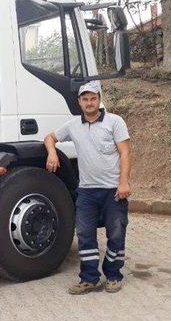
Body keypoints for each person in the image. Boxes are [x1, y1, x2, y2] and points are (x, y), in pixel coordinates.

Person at [44, 81, 131, 294]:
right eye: (85, 99)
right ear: (79, 102)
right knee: (84, 234)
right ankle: (89, 278)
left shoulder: (115, 122)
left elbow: (125, 153)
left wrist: (124, 182)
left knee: (116, 233)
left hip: (113, 190)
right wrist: (52, 152)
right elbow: (50, 137)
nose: (89, 103)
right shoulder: (73, 125)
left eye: (93, 98)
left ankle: (113, 275)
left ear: (99, 100)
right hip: (86, 191)